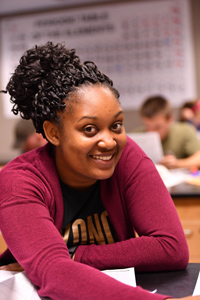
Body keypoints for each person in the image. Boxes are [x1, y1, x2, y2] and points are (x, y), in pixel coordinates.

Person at [0, 42, 197, 300]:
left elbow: (171, 248)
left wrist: (75, 255)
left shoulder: (126, 155)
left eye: (116, 125)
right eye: (89, 129)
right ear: (53, 133)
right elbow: (55, 274)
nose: (109, 141)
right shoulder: (20, 180)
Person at [139, 95, 200, 169]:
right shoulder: (137, 135)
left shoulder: (184, 131)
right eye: (148, 126)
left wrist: (177, 164)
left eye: (158, 127)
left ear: (170, 119)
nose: (152, 132)